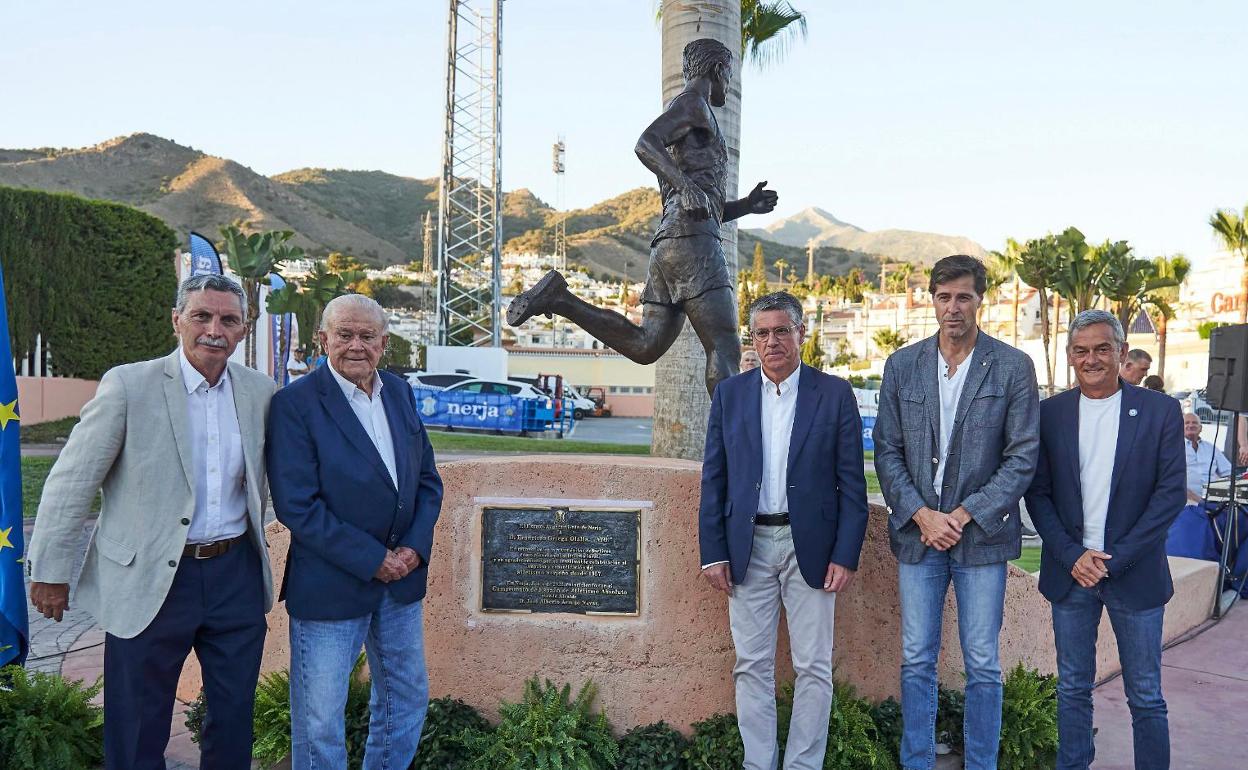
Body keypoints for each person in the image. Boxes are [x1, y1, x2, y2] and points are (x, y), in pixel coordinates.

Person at [27, 274, 276, 769]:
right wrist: (49, 570)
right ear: (177, 319)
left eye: (228, 319)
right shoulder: (129, 385)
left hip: (235, 576)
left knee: (233, 717)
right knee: (137, 722)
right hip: (149, 579)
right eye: (202, 316)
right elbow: (72, 480)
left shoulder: (261, 392)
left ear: (244, 329)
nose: (214, 329)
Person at [507, 38, 778, 397]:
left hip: (672, 244)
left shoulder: (695, 111)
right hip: (693, 244)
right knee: (725, 348)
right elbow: (645, 142)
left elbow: (703, 205)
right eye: (728, 75)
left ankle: (559, 300)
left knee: (645, 345)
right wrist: (683, 185)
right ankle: (730, 447)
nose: (728, 85)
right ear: (717, 70)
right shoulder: (693, 105)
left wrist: (745, 205)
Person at [873, 254, 1040, 770]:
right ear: (931, 300)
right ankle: (917, 761)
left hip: (981, 539)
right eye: (944, 297)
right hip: (918, 536)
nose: (953, 307)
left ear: (979, 300)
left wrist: (963, 515)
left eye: (963, 296)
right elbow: (887, 450)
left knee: (984, 664)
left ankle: (982, 763)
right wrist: (922, 514)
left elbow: (1022, 456)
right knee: (918, 659)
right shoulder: (903, 365)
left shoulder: (1012, 366)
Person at [267, 293, 443, 769]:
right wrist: (373, 559)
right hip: (331, 586)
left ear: (385, 343)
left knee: (406, 700)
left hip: (401, 583)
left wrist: (413, 550)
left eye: (368, 336)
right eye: (344, 334)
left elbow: (427, 481)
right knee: (320, 721)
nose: (356, 345)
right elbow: (297, 506)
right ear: (323, 339)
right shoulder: (294, 405)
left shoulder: (400, 393)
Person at [699, 291, 868, 770]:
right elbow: (714, 477)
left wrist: (846, 554)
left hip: (810, 548)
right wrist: (713, 551)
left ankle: (802, 765)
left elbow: (851, 485)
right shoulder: (731, 394)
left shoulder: (833, 394)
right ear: (753, 339)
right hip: (745, 547)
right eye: (762, 332)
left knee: (813, 667)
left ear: (801, 334)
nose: (771, 341)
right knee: (751, 666)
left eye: (781, 331)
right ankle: (759, 763)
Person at [1025, 309, 1185, 770]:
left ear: (1119, 352)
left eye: (1101, 348)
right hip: (1070, 573)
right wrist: (1074, 556)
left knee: (1146, 695)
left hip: (1133, 574)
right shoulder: (1049, 414)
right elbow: (1038, 493)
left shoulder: (1160, 410)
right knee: (1072, 687)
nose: (1090, 358)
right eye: (1081, 350)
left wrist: (1113, 561)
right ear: (1070, 356)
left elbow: (1169, 494)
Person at [1182, 411, 1230, 503]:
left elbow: (1228, 473)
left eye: (1195, 423)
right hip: (1185, 498)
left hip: (1213, 498)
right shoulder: (1175, 448)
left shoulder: (1211, 448)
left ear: (1200, 428)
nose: (1191, 425)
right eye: (1187, 423)